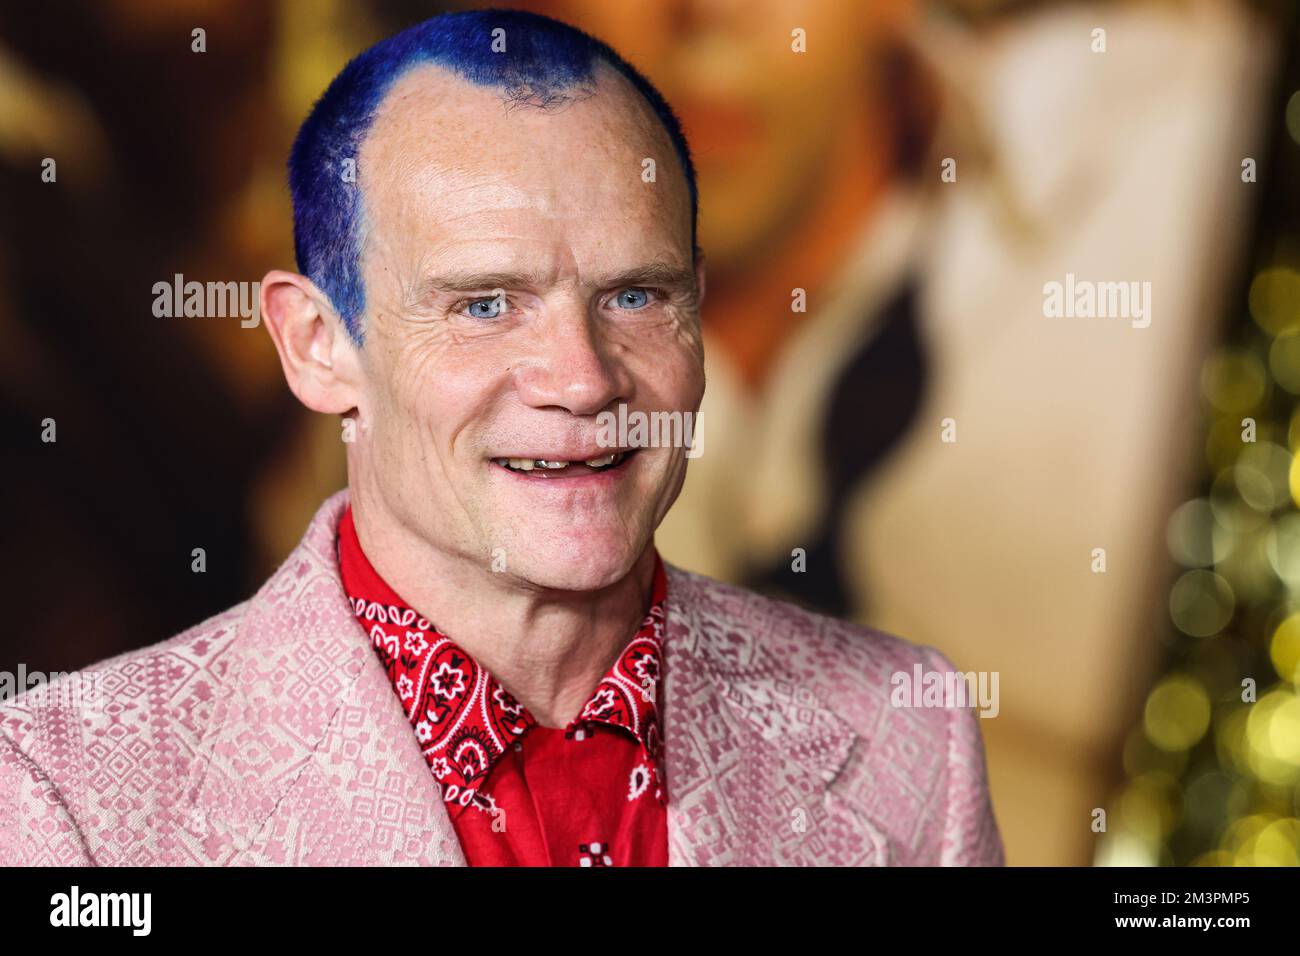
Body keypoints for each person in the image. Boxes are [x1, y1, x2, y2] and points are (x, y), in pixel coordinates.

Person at [0, 9, 1002, 866]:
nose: (580, 376)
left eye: (634, 295)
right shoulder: (71, 793)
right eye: (484, 303)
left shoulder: (909, 728)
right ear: (317, 345)